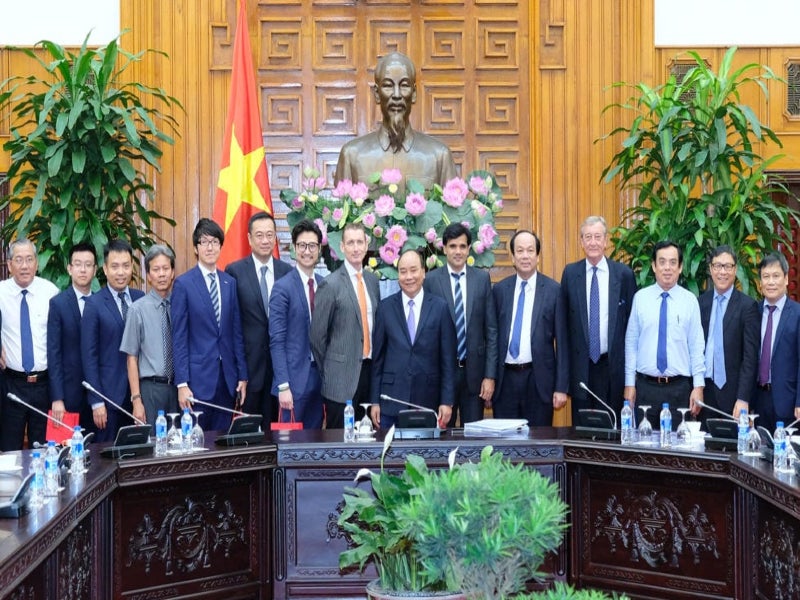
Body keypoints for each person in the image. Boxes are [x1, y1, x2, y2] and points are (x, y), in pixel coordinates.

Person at [335, 51, 457, 190]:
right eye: (388, 85)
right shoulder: (352, 155)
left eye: (404, 85)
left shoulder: (439, 156)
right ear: (377, 93)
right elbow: (341, 208)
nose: (397, 95)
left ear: (414, 93)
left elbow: (453, 209)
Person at [171, 218, 248, 432]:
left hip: (227, 380)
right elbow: (179, 338)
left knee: (223, 443)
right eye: (204, 242)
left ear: (221, 246)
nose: (210, 247)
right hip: (197, 383)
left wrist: (242, 375)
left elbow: (236, 333)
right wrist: (182, 383)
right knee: (197, 444)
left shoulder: (229, 283)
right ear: (196, 248)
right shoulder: (184, 284)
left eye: (214, 242)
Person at [560, 216, 636, 423]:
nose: (593, 242)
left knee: (613, 432)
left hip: (612, 369)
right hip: (581, 369)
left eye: (597, 237)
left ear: (606, 241)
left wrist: (631, 380)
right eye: (588, 237)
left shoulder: (624, 275)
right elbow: (563, 329)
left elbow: (632, 328)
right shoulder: (570, 273)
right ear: (581, 242)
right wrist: (563, 382)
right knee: (582, 432)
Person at [370, 249, 456, 429]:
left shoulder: (440, 308)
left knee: (426, 455)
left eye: (413, 270)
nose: (408, 277)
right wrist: (374, 401)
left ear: (424, 272)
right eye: (403, 271)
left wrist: (447, 401)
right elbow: (377, 359)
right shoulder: (385, 308)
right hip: (391, 400)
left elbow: (448, 361)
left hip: (428, 400)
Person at [423, 222, 497, 425]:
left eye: (462, 246)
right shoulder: (430, 281)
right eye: (453, 246)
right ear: (444, 248)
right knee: (441, 437)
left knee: (473, 439)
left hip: (474, 376)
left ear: (469, 249)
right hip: (442, 374)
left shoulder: (481, 279)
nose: (458, 251)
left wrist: (489, 376)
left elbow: (491, 331)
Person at [492, 230, 568, 427]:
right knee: (504, 446)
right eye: (520, 251)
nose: (525, 256)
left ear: (537, 256)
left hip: (539, 380)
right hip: (505, 380)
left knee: (538, 444)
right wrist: (489, 378)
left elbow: (563, 342)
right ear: (512, 257)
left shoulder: (553, 290)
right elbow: (491, 338)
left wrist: (561, 387)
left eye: (530, 250)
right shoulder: (500, 290)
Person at [226, 211, 292, 430]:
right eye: (260, 235)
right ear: (249, 238)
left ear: (275, 238)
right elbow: (232, 325)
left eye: (269, 235)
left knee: (278, 433)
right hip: (249, 367)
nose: (265, 240)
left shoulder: (287, 271)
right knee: (249, 433)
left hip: (280, 370)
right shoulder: (234, 271)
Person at [310, 223, 380, 428]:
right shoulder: (330, 284)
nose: (356, 247)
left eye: (360, 242)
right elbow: (317, 337)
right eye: (351, 242)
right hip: (339, 381)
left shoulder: (372, 281)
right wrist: (332, 368)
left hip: (368, 373)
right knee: (339, 445)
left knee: (367, 440)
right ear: (342, 247)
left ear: (367, 245)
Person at [624, 241, 705, 417]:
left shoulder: (690, 301)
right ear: (653, 266)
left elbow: (697, 347)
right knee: (643, 443)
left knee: (678, 444)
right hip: (646, 388)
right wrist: (629, 384)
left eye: (672, 262)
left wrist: (698, 386)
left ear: (680, 267)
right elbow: (631, 344)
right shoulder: (640, 299)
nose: (667, 268)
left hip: (679, 390)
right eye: (662, 262)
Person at [81, 239, 145, 442]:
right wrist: (96, 401)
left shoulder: (140, 298)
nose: (121, 272)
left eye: (126, 266)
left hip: (139, 395)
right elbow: (89, 357)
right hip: (108, 399)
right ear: (105, 269)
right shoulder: (94, 304)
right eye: (115, 266)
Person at [0, 239, 59, 450]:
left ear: (37, 263)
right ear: (9, 265)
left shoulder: (51, 292)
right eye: (18, 260)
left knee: (44, 451)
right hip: (11, 384)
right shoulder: (1, 292)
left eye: (29, 259)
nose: (24, 266)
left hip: (44, 385)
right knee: (9, 450)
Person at [269, 219, 325, 429]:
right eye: (302, 245)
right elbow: (276, 340)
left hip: (319, 381)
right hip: (292, 383)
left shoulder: (324, 284)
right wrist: (283, 385)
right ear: (294, 248)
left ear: (319, 249)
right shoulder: (282, 288)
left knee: (315, 446)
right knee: (290, 446)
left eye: (312, 246)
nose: (307, 251)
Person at [698, 246, 759, 420]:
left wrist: (743, 398)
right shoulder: (701, 303)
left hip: (733, 395)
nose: (722, 272)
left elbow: (750, 358)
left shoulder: (748, 307)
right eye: (717, 266)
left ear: (735, 269)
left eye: (728, 266)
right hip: (705, 392)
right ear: (710, 269)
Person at [120, 245, 179, 427]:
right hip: (150, 389)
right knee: (155, 445)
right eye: (156, 269)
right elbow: (131, 358)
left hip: (178, 388)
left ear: (173, 273)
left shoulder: (179, 305)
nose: (161, 274)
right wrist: (137, 400)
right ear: (148, 275)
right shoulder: (137, 309)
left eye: (165, 268)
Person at [47, 242, 96, 434]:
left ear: (95, 269)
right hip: (68, 396)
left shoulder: (101, 302)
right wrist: (57, 397)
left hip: (96, 395)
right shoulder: (58, 304)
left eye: (88, 264)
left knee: (97, 452)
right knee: (68, 452)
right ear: (69, 268)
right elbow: (54, 353)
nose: (83, 270)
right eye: (78, 264)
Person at [753, 253, 800, 432]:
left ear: (786, 279)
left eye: (776, 276)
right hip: (758, 401)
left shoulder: (797, 314)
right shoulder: (753, 313)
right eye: (766, 277)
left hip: (788, 403)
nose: (771, 282)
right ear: (760, 283)